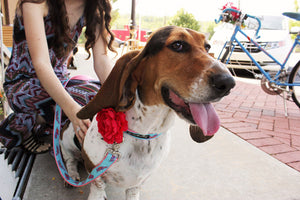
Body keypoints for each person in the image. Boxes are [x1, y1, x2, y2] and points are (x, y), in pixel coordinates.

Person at [0, 0, 115, 153]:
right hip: (24, 87)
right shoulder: (35, 3)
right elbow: (41, 64)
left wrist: (117, 97)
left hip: (60, 84)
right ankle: (19, 126)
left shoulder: (94, 8)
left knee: (98, 97)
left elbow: (102, 61)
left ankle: (44, 124)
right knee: (82, 103)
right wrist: (73, 111)